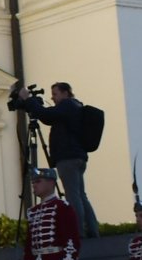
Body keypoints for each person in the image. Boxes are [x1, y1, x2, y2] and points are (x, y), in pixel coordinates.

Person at [11, 81, 99, 237]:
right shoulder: (74, 106)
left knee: (73, 195)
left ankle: (77, 233)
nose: (52, 98)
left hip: (68, 157)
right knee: (80, 194)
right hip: (76, 156)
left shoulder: (68, 105)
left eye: (55, 94)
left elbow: (47, 116)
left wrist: (28, 100)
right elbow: (48, 114)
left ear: (66, 93)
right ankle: (92, 230)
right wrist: (30, 104)